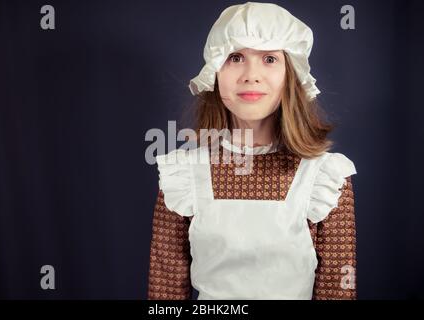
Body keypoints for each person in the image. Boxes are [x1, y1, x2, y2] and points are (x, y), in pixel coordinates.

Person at [147, 2, 357, 300]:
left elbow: (338, 291)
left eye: (269, 58)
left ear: (291, 75)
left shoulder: (325, 177)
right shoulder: (183, 175)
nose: (251, 75)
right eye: (235, 57)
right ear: (215, 71)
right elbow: (164, 295)